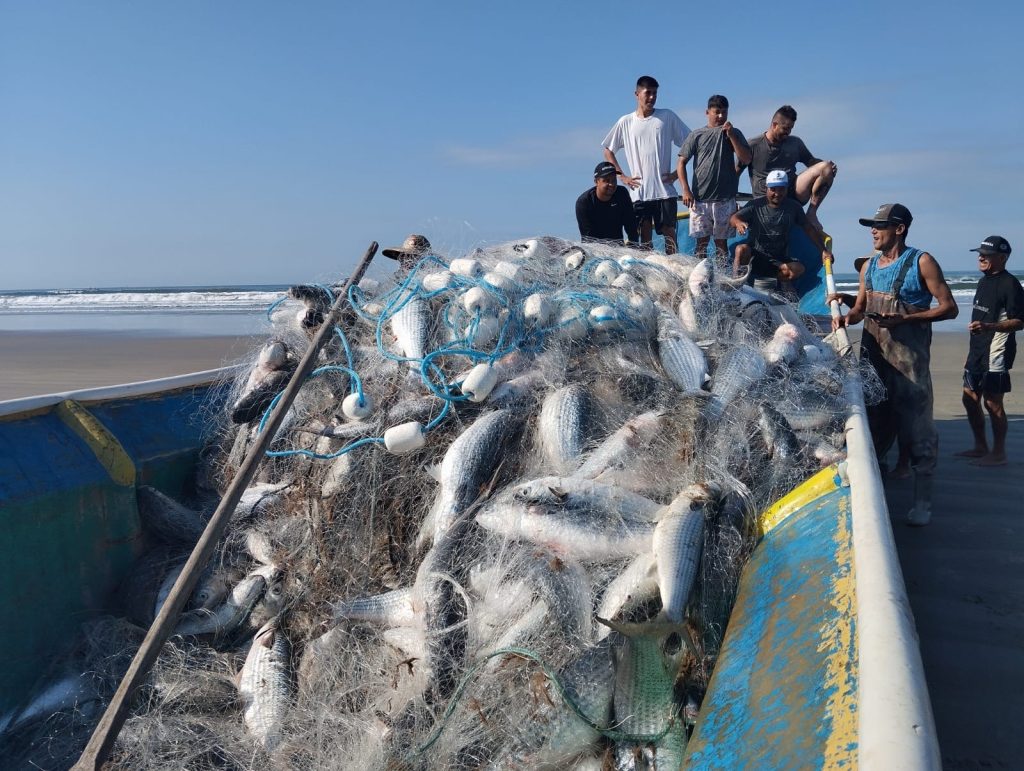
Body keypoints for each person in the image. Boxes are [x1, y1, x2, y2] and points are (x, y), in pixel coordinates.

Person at [832, 203, 959, 526]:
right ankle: (871, 494)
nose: (873, 231)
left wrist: (908, 318)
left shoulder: (922, 262)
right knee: (871, 425)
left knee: (918, 431)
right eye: (871, 227)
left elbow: (950, 308)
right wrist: (847, 314)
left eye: (880, 226)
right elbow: (861, 309)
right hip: (873, 363)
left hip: (909, 367)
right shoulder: (869, 267)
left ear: (899, 229)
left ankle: (922, 503)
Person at [954, 236, 1024, 466]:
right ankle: (980, 446)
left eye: (987, 254)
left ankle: (999, 453)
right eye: (980, 253)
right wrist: (972, 349)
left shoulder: (1010, 284)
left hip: (998, 351)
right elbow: (979, 318)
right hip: (977, 351)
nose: (981, 257)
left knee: (992, 402)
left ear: (1002, 258)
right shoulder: (983, 281)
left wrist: (989, 327)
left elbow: (1019, 321)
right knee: (970, 398)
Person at [602, 75, 690, 254]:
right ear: (637, 94)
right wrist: (622, 176)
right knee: (645, 234)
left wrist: (675, 174)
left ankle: (673, 268)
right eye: (648, 93)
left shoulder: (667, 116)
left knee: (669, 232)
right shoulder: (625, 121)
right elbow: (608, 150)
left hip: (664, 190)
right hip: (639, 191)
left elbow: (691, 144)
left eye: (655, 93)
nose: (652, 97)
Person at [730, 169, 832, 295]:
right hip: (754, 258)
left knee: (798, 269)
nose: (777, 193)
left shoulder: (793, 207)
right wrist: (738, 223)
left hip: (778, 261)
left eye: (781, 189)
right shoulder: (755, 205)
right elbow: (734, 218)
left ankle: (783, 282)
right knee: (741, 249)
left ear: (786, 189)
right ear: (767, 188)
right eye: (773, 189)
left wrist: (823, 250)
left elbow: (808, 228)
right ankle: (736, 287)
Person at [676, 95, 751, 258]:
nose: (721, 116)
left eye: (724, 112)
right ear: (707, 112)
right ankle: (699, 279)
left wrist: (731, 136)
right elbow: (681, 163)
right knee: (701, 243)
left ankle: (722, 279)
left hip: (724, 200)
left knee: (721, 244)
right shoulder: (696, 135)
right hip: (700, 200)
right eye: (717, 112)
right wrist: (685, 190)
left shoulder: (734, 133)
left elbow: (746, 158)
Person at [742, 105, 837, 232]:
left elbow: (811, 162)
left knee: (825, 168)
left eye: (791, 129)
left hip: (791, 192)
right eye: (785, 128)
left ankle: (812, 214)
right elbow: (735, 172)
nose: (788, 133)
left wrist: (828, 168)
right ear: (774, 125)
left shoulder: (795, 143)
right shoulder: (753, 145)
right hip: (766, 195)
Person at [575, 161, 640, 246]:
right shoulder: (584, 202)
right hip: (595, 250)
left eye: (614, 180)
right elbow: (587, 239)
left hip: (618, 250)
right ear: (596, 182)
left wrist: (633, 247)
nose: (611, 184)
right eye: (606, 180)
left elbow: (631, 226)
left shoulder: (622, 194)